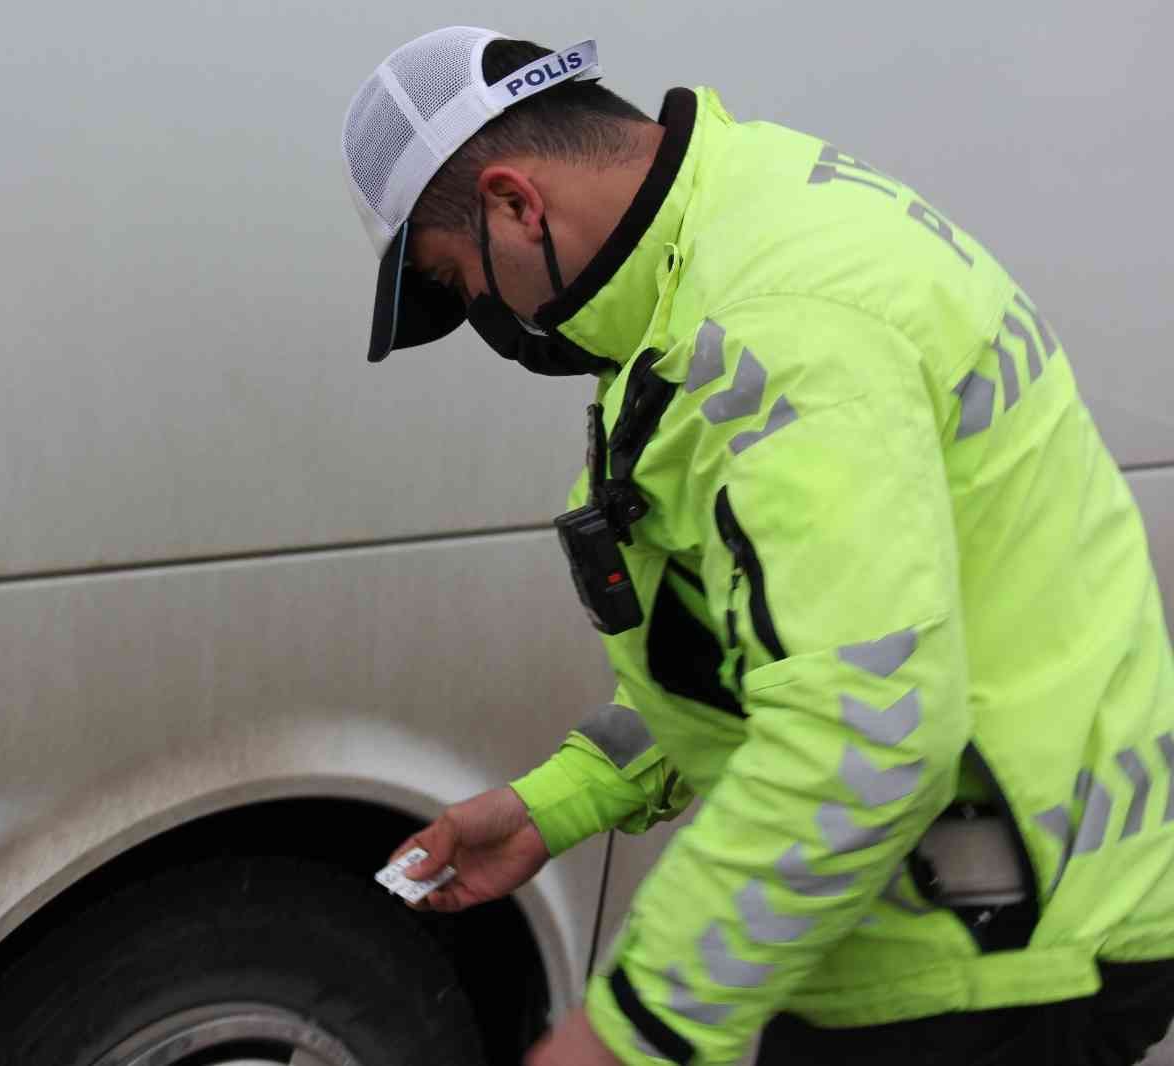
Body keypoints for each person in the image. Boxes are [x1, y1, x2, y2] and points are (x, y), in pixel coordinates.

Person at [339, 26, 1174, 1066]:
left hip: (981, 969)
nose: (481, 317)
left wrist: (615, 1038)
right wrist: (547, 807)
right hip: (978, 920)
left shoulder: (772, 325)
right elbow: (769, 651)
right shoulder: (742, 215)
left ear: (515, 204)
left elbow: (861, 733)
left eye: (457, 283)